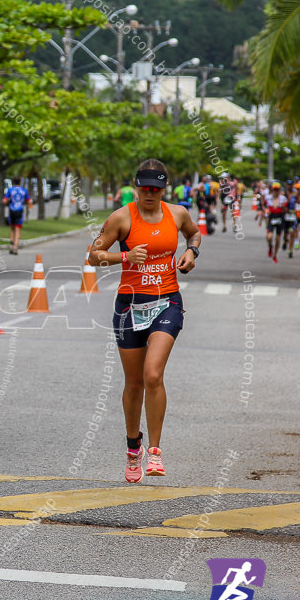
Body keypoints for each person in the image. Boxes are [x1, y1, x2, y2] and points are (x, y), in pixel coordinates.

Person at [87, 159, 199, 485]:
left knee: (153, 374)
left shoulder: (176, 213)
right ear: (136, 186)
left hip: (167, 301)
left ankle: (155, 450)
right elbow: (93, 255)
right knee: (134, 383)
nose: (150, 193)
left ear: (165, 188)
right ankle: (133, 447)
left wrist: (191, 254)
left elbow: (194, 235)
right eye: (145, 187)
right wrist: (124, 256)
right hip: (129, 307)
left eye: (157, 188)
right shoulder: (121, 218)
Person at [3, 177, 31, 255]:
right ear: (20, 182)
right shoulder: (24, 190)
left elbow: (4, 200)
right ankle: (15, 246)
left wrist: (8, 202)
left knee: (12, 228)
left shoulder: (10, 190)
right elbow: (28, 200)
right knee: (17, 229)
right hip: (19, 211)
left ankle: (11, 245)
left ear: (13, 182)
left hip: (12, 210)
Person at [265, 182, 287, 263]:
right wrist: (266, 211)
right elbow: (264, 206)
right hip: (271, 218)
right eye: (274, 190)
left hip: (280, 218)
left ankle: (275, 255)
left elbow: (285, 209)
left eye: (277, 190)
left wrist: (283, 208)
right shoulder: (268, 198)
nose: (276, 192)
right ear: (272, 190)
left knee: (278, 239)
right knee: (269, 236)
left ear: (279, 190)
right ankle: (270, 246)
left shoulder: (283, 198)